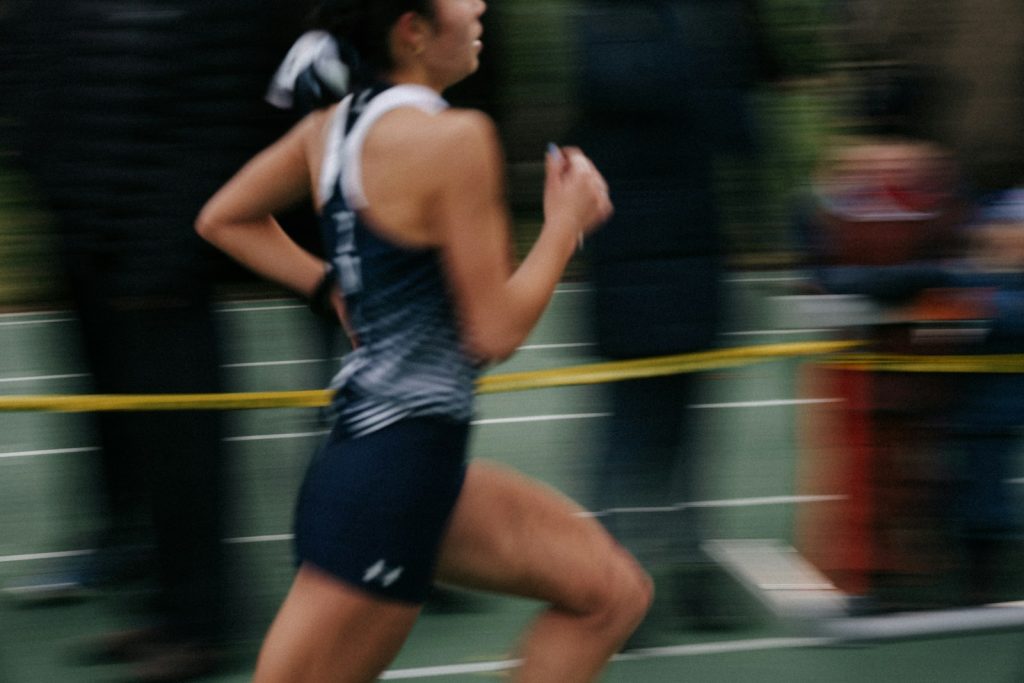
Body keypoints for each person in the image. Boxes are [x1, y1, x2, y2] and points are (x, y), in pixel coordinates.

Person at [195, 1, 652, 681]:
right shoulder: (454, 139)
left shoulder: (332, 126)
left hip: (405, 468)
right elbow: (493, 331)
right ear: (412, 30)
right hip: (386, 488)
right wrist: (565, 225)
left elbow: (224, 218)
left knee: (609, 595)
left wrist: (330, 289)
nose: (478, 5)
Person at [1, 1, 305, 679]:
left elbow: (231, 116)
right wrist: (62, 195)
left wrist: (171, 247)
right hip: (95, 244)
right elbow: (37, 72)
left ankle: (204, 626)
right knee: (143, 451)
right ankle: (167, 609)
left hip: (166, 260)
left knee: (187, 458)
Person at [567, 0, 767, 638]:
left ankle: (609, 584)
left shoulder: (593, 32)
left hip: (624, 262)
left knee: (628, 435)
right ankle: (681, 577)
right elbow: (742, 135)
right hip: (688, 256)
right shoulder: (700, 34)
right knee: (679, 438)